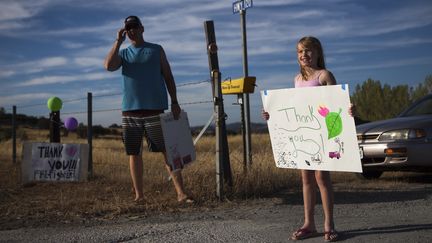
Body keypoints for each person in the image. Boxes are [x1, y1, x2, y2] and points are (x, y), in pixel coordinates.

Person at [262, 36, 348, 242]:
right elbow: (296, 107)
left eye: (308, 51)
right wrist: (271, 114)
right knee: (306, 178)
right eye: (300, 51)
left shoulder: (324, 75)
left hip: (322, 133)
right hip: (304, 134)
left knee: (322, 178)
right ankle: (309, 223)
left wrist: (349, 109)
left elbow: (337, 106)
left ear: (318, 53)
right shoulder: (297, 79)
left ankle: (329, 224)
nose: (304, 55)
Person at [104, 15, 193, 204]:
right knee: (134, 153)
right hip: (130, 111)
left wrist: (175, 101)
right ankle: (140, 196)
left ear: (142, 28)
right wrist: (118, 41)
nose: (131, 30)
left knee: (167, 151)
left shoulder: (156, 49)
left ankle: (181, 193)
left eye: (135, 26)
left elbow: (168, 76)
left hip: (155, 109)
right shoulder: (124, 53)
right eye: (128, 28)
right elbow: (108, 66)